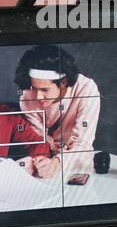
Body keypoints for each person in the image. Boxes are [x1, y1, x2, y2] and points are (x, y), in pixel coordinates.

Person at [14, 45, 100, 177]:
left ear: (63, 83)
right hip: (43, 163)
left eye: (45, 90)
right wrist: (43, 160)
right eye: (34, 88)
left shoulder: (87, 89)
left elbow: (83, 143)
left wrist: (57, 163)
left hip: (75, 165)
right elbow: (38, 140)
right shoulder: (27, 97)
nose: (38, 96)